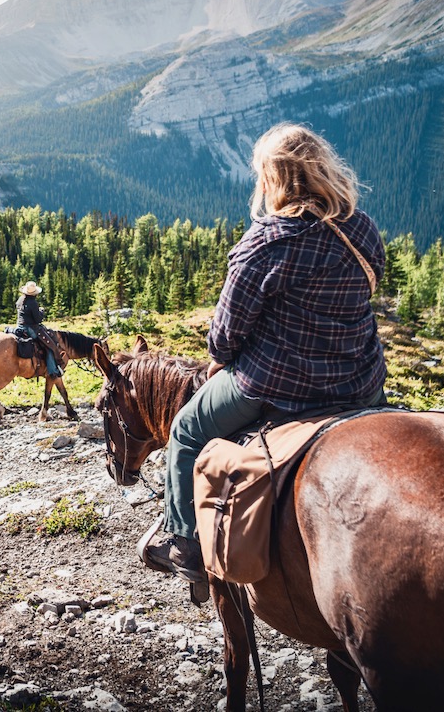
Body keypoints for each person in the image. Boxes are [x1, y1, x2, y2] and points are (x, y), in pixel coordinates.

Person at [141, 123, 388, 583]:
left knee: (186, 430)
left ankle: (186, 543)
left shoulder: (264, 242)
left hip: (275, 384)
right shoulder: (360, 228)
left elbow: (224, 338)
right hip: (360, 380)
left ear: (272, 178)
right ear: (321, 169)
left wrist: (226, 357)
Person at [15, 281, 63, 378]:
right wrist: (41, 311)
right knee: (50, 346)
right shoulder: (33, 302)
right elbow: (38, 319)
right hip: (30, 328)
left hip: (19, 326)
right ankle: (53, 371)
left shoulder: (20, 299)